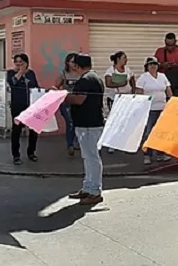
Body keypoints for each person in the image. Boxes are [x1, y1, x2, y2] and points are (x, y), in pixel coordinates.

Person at [64, 53, 105, 206]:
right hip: (88, 123)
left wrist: (62, 96)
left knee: (92, 157)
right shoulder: (93, 77)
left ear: (78, 65)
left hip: (89, 124)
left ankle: (95, 191)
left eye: (74, 63)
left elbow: (79, 99)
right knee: (88, 157)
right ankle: (88, 187)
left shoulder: (86, 80)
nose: (71, 65)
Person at [135, 56, 174, 165]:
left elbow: (168, 90)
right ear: (147, 66)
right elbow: (139, 92)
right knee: (148, 133)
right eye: (150, 64)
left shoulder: (162, 76)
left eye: (155, 64)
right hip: (149, 109)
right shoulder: (143, 77)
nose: (153, 66)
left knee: (161, 132)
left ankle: (161, 153)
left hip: (162, 108)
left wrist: (172, 101)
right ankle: (147, 154)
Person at [7, 53, 40, 164]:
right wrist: (20, 72)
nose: (19, 64)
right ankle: (16, 155)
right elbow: (12, 82)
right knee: (16, 130)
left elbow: (35, 86)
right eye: (17, 62)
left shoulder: (31, 74)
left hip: (30, 105)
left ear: (26, 63)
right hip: (17, 105)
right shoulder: (11, 73)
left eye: (21, 62)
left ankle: (31, 152)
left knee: (33, 130)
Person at [104, 51, 135, 154]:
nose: (126, 60)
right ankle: (111, 143)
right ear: (118, 59)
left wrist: (134, 92)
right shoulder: (110, 71)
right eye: (124, 58)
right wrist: (120, 84)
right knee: (113, 120)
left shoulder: (128, 70)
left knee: (126, 120)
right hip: (114, 97)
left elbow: (132, 81)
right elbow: (108, 83)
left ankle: (124, 143)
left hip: (127, 97)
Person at [56, 53, 80, 156]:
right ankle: (70, 144)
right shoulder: (63, 74)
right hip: (66, 102)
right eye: (72, 62)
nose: (74, 64)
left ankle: (75, 141)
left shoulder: (81, 73)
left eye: (76, 62)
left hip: (78, 101)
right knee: (70, 122)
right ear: (67, 63)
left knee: (77, 122)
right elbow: (56, 86)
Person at [154, 32, 178, 97]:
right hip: (162, 81)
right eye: (167, 45)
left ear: (175, 42)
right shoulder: (159, 51)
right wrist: (162, 65)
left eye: (171, 45)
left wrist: (175, 65)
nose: (169, 47)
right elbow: (153, 65)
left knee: (176, 100)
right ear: (165, 42)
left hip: (176, 80)